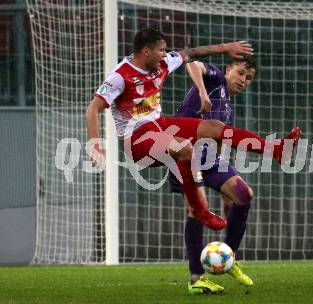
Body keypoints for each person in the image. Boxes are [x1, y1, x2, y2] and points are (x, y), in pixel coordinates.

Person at [87, 28, 300, 232]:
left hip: (159, 124)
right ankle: (200, 211)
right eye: (161, 50)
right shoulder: (119, 76)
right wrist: (96, 147)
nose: (165, 54)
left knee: (216, 128)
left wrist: (226, 47)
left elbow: (191, 54)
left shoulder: (162, 64)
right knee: (184, 147)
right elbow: (93, 109)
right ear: (146, 51)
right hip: (137, 141)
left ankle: (276, 150)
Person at [168, 57, 257, 294]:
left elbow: (219, 144)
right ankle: (197, 278)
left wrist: (223, 187)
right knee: (197, 210)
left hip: (210, 159)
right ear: (229, 70)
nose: (243, 80)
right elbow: (192, 63)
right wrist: (202, 92)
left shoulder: (228, 109)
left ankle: (228, 256)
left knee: (243, 195)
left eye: (248, 78)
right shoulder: (214, 79)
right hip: (184, 153)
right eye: (240, 73)